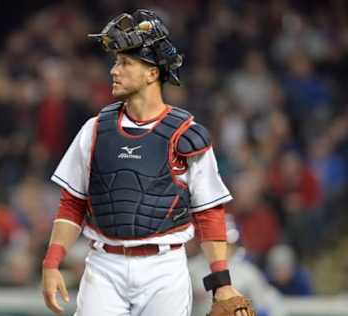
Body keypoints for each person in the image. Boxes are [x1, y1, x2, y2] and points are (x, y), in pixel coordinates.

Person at [42, 9, 252, 316]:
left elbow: (209, 211)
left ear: (153, 73)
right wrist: (51, 262)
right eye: (115, 61)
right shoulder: (95, 129)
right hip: (104, 266)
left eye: (125, 63)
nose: (114, 70)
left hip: (164, 269)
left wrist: (221, 280)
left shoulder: (185, 134)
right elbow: (72, 203)